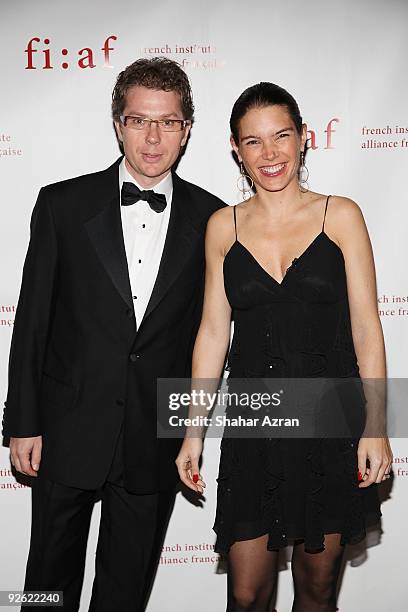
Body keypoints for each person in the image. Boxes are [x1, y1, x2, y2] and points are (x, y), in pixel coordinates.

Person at [2, 57, 225, 611]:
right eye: (138, 120)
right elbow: (32, 321)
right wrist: (22, 422)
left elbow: (212, 332)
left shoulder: (215, 219)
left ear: (187, 129)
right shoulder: (62, 205)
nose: (153, 137)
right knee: (46, 590)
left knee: (125, 595)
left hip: (153, 439)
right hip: (64, 430)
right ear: (118, 123)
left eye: (168, 122)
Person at [176, 82, 393, 612]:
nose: (269, 154)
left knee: (316, 592)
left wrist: (376, 426)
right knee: (247, 595)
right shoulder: (221, 227)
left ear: (303, 140)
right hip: (257, 428)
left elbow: (367, 328)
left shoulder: (340, 215)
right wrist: (191, 432)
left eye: (281, 137)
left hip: (330, 425)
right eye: (253, 142)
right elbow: (211, 333)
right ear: (235, 148)